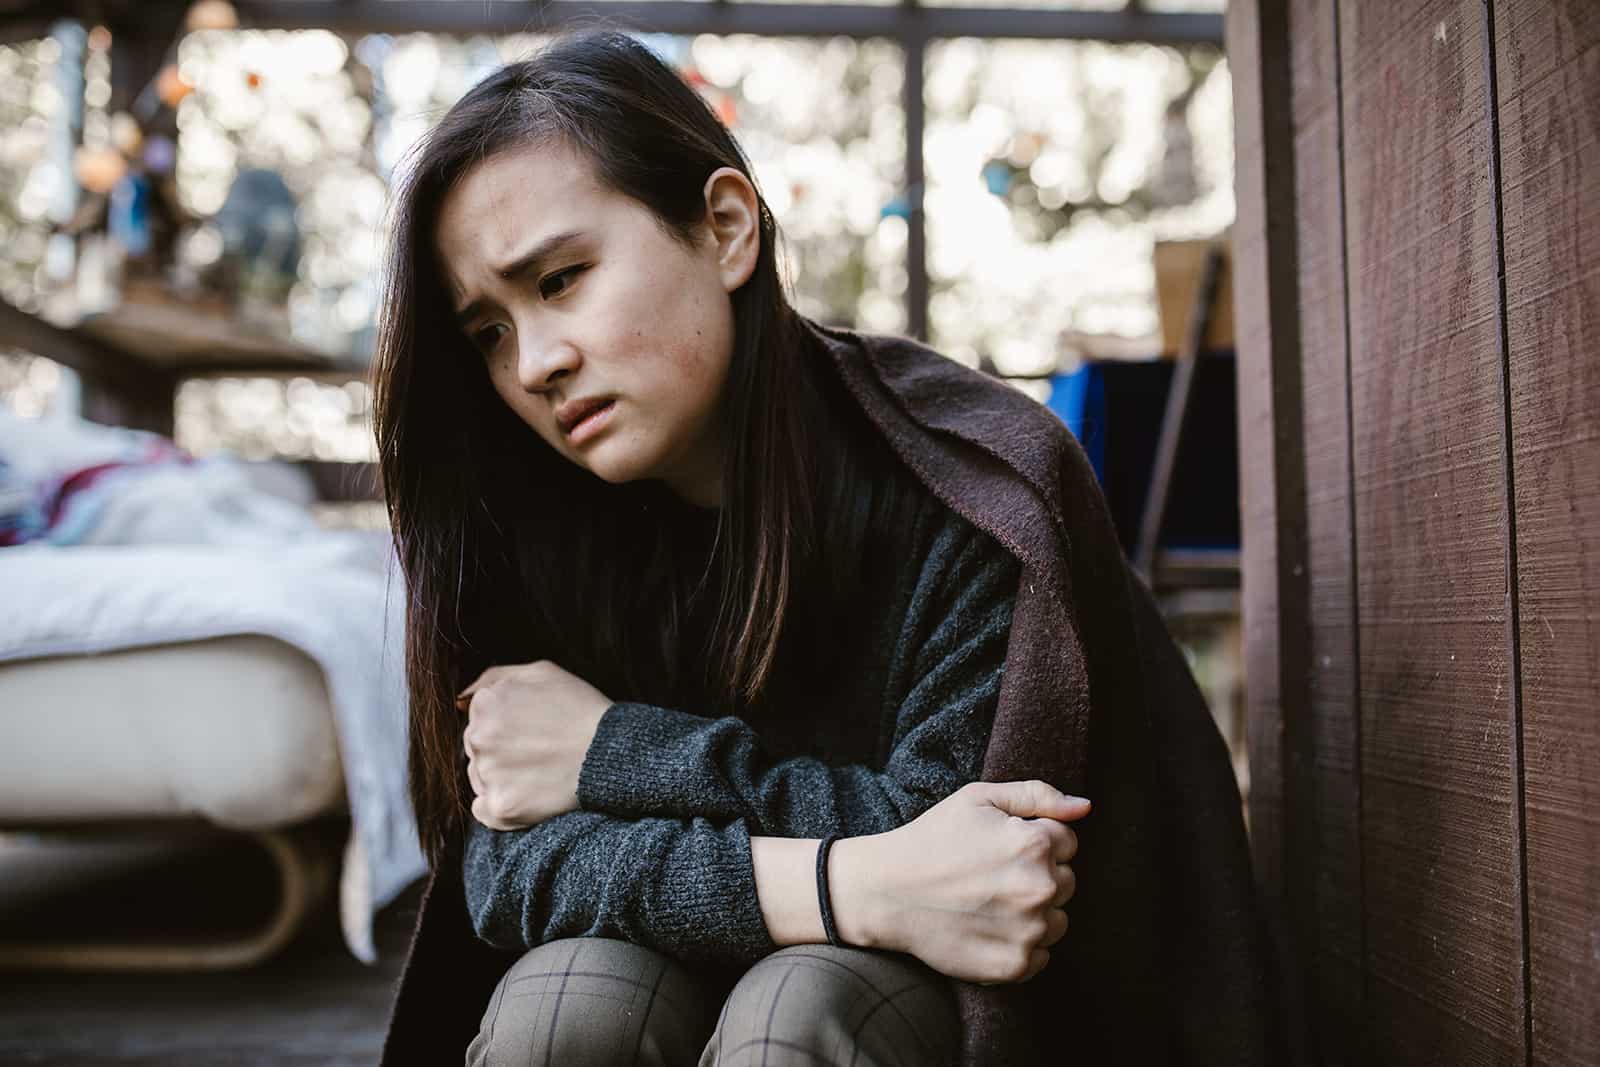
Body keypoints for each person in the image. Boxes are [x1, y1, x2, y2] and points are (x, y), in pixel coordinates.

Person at [372, 28, 1283, 1067]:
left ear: (724, 228)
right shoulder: (522, 514)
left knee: (795, 1013)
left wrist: (610, 751)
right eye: (487, 330)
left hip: (979, 1002)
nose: (533, 362)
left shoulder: (966, 485)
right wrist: (846, 878)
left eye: (563, 278)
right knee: (566, 1008)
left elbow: (979, 861)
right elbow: (511, 870)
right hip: (679, 961)